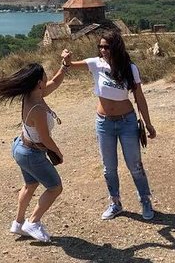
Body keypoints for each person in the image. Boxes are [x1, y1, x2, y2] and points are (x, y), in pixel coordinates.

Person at [64, 30, 157, 220]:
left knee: (135, 165)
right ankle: (115, 202)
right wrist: (66, 58)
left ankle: (145, 200)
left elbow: (139, 97)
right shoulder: (96, 64)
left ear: (116, 47)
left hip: (127, 122)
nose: (103, 50)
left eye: (107, 47)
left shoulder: (130, 68)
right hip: (104, 123)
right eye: (101, 47)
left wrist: (148, 124)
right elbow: (70, 66)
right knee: (109, 167)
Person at [0, 51, 70, 243]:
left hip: (20, 148)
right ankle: (33, 222)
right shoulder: (38, 109)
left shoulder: (32, 95)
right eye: (44, 76)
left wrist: (64, 66)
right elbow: (45, 138)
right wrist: (58, 152)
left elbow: (56, 83)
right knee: (55, 188)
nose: (47, 78)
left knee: (30, 184)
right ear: (39, 83)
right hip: (32, 153)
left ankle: (17, 223)